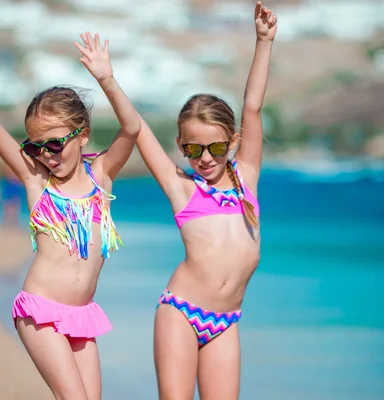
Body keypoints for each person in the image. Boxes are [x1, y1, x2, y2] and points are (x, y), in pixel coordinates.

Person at [0, 32, 141, 400]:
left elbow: (132, 128)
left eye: (55, 143)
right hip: (39, 312)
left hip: (82, 315)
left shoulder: (102, 175)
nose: (47, 155)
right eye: (36, 147)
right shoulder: (37, 180)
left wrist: (106, 79)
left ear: (82, 135)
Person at [135, 3, 277, 399]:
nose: (206, 158)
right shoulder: (183, 188)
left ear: (232, 142)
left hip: (225, 320)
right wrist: (107, 79)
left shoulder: (246, 178)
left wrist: (263, 41)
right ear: (181, 148)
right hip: (181, 312)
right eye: (194, 150)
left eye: (216, 146)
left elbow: (252, 105)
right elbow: (138, 129)